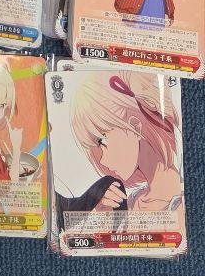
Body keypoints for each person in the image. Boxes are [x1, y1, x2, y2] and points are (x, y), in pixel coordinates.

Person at [61, 72, 182, 215]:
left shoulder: (179, 205)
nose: (102, 160)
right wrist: (104, 215)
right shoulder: (134, 200)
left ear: (135, 126)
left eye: (103, 142)